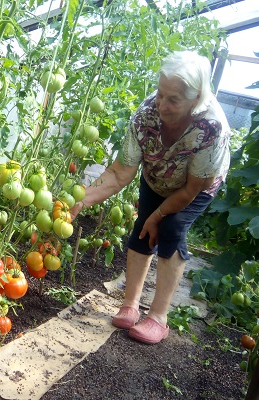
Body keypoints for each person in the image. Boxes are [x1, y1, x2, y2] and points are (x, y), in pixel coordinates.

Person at [70, 50, 231, 344]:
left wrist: (159, 217)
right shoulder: (145, 116)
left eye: (173, 100)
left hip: (196, 186)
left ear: (195, 99)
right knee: (142, 226)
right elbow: (120, 173)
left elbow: (191, 189)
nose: (162, 105)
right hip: (157, 176)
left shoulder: (211, 128)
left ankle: (158, 316)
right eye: (160, 94)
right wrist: (81, 200)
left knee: (171, 228)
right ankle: (130, 305)